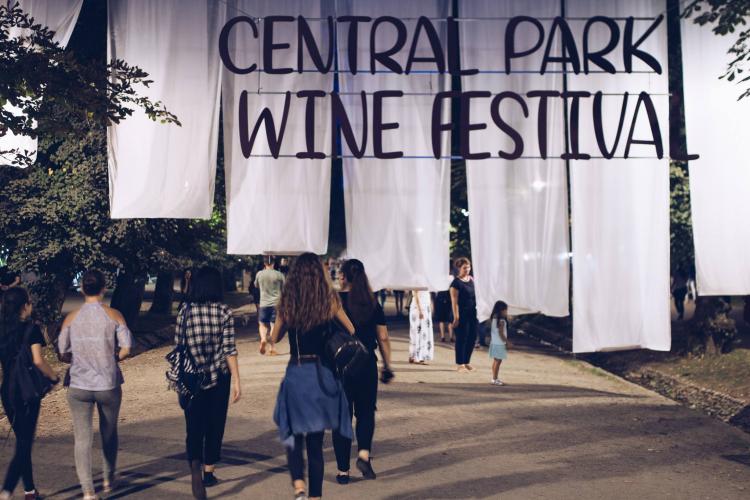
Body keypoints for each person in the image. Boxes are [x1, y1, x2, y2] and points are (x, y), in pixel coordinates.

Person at [271, 253, 354, 500]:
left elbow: (274, 338)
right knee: (315, 443)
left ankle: (299, 486)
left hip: (297, 372)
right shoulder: (329, 300)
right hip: (322, 374)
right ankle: (315, 496)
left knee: (293, 434)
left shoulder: (288, 301)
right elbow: (350, 329)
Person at [57, 270, 133, 500]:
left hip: (79, 385)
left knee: (82, 439)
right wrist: (112, 358)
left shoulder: (71, 318)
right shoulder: (114, 315)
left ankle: (88, 491)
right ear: (104, 288)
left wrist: (75, 359)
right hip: (107, 383)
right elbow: (126, 348)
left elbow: (62, 351)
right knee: (109, 432)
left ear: (82, 289)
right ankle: (109, 479)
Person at [172, 267, 241, 499]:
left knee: (193, 425)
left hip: (191, 378)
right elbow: (229, 349)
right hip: (219, 377)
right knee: (215, 423)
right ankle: (209, 471)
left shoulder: (185, 311)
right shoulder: (224, 311)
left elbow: (178, 346)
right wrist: (237, 380)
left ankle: (195, 464)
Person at [333, 259, 394, 485]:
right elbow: (383, 337)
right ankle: (364, 455)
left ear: (344, 277)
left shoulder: (334, 302)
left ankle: (343, 471)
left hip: (339, 366)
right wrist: (387, 365)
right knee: (366, 412)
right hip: (366, 363)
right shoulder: (372, 303)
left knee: (342, 416)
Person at [0, 288, 59, 500]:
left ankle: (30, 491)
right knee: (24, 445)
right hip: (26, 392)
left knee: (22, 441)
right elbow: (38, 361)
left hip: (7, 391)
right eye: (29, 302)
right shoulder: (31, 329)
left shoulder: (2, 329)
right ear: (24, 306)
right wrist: (53, 377)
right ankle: (6, 491)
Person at [450, 257, 478, 372]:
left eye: (468, 267)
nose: (467, 270)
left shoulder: (472, 280)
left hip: (473, 313)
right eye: (464, 268)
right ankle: (460, 363)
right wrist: (456, 317)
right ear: (459, 268)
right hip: (461, 314)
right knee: (462, 338)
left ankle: (466, 362)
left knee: (472, 337)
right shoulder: (456, 283)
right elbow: (454, 302)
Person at [255, 255, 285, 356]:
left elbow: (256, 285)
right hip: (276, 303)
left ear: (264, 263)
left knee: (262, 324)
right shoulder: (279, 275)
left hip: (264, 303)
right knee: (273, 325)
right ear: (273, 263)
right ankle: (272, 348)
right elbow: (284, 288)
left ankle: (263, 339)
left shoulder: (259, 274)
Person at [488, 301, 512, 386]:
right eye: (506, 310)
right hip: (499, 344)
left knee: (495, 361)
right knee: (498, 362)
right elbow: (501, 333)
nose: (506, 312)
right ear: (501, 310)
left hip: (494, 342)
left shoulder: (494, 319)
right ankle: (495, 379)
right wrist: (507, 342)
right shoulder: (501, 321)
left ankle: (494, 378)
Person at [408, 290, 434, 364]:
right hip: (418, 308)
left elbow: (428, 294)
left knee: (424, 332)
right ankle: (417, 356)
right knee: (417, 331)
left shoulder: (426, 283)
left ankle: (418, 355)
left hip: (425, 308)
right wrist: (419, 310)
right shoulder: (416, 283)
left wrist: (430, 306)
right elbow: (415, 294)